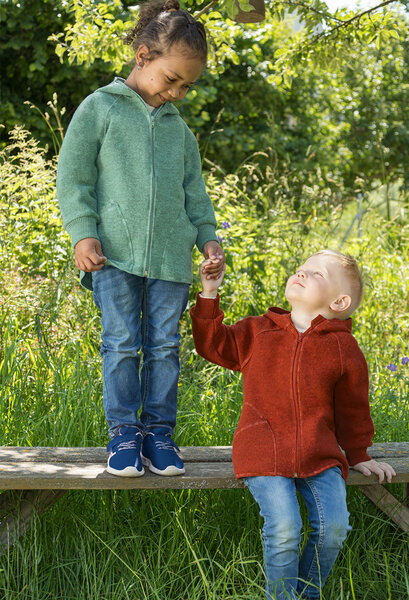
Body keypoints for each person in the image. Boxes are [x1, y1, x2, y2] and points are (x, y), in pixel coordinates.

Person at [57, 0, 224, 478]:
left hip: (171, 261)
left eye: (187, 86)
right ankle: (124, 434)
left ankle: (159, 435)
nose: (177, 92)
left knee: (165, 348)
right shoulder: (101, 108)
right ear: (143, 56)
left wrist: (208, 239)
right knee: (122, 343)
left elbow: (196, 195)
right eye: (171, 78)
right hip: (114, 257)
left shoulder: (181, 133)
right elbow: (73, 176)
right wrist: (82, 234)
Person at [190, 249, 396, 600]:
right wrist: (209, 293)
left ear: (340, 301)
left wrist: (359, 454)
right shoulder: (259, 330)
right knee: (284, 528)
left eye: (315, 274)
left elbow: (353, 408)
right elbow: (212, 344)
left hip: (320, 455)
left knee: (334, 527)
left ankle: (307, 593)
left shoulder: (344, 348)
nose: (301, 273)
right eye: (301, 268)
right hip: (263, 451)